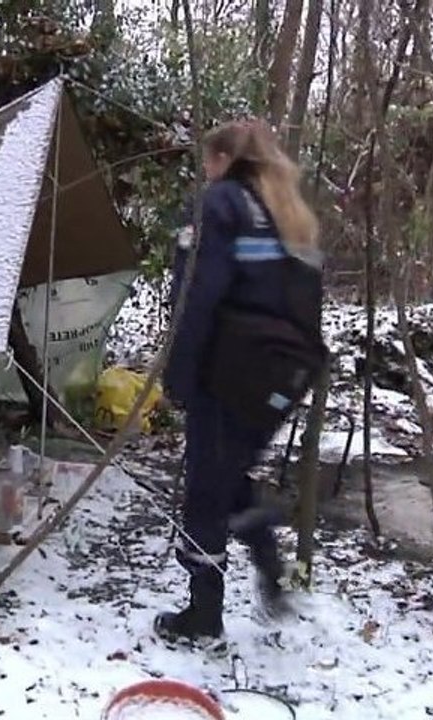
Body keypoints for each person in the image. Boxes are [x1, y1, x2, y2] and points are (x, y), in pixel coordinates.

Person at [157, 120, 322, 644]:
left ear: (224, 158)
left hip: (228, 371)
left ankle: (203, 615)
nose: (206, 172)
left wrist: (179, 377)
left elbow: (196, 299)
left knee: (207, 489)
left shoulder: (221, 204)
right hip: (282, 375)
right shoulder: (289, 210)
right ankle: (272, 567)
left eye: (208, 161)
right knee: (232, 473)